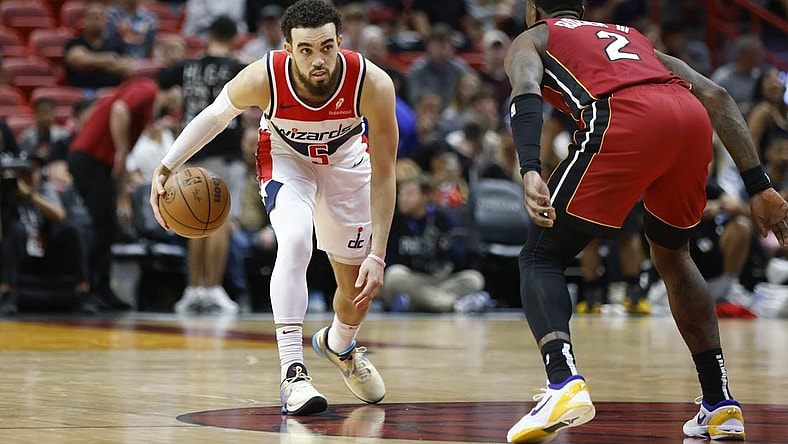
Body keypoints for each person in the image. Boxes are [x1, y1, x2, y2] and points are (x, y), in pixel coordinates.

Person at [502, 1, 788, 442]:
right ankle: (719, 403)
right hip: (688, 120)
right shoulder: (631, 37)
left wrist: (530, 167)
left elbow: (525, 89)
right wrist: (759, 186)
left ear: (532, 9)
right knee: (673, 254)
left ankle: (562, 382)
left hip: (624, 117)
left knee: (541, 255)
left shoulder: (535, 36)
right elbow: (716, 96)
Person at [149, 0, 398, 415]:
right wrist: (167, 164)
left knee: (355, 291)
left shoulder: (372, 84)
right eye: (305, 50)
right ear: (287, 49)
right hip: (286, 160)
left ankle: (339, 345)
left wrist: (378, 254)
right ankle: (292, 373)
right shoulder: (264, 75)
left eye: (325, 47)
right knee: (296, 240)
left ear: (340, 42)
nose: (317, 59)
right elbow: (214, 116)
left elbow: (386, 173)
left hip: (347, 165)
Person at [158, 16, 247, 315]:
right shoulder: (236, 67)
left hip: (191, 148)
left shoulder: (188, 66)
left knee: (191, 220)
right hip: (224, 151)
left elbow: (160, 81)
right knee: (219, 222)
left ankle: (193, 288)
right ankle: (213, 289)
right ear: (234, 37)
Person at [68, 77, 178, 312]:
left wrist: (123, 199)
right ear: (174, 90)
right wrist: (120, 150)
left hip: (100, 164)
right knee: (100, 226)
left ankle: (101, 288)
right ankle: (85, 289)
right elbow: (119, 109)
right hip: (89, 158)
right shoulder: (148, 88)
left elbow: (120, 163)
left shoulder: (147, 111)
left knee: (108, 226)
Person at [0, 154, 97, 315]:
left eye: (34, 171)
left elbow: (60, 215)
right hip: (20, 256)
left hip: (46, 254)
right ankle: (6, 295)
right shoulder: (7, 193)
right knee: (16, 230)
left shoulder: (44, 189)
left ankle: (83, 294)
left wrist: (31, 196)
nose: (30, 175)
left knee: (73, 230)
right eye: (25, 171)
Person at [381, 173, 488, 313]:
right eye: (401, 193)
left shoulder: (442, 219)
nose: (402, 198)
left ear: (426, 196)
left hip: (439, 280)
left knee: (474, 279)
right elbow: (389, 261)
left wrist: (448, 248)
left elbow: (461, 261)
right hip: (412, 278)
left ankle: (415, 303)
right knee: (393, 276)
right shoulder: (396, 221)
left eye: (409, 193)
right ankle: (455, 305)